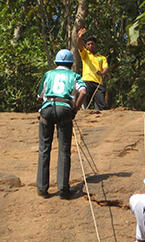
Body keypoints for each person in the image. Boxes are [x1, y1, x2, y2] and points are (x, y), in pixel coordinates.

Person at [36, 49, 87, 199]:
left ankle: (42, 188)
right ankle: (64, 189)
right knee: (64, 149)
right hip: (64, 109)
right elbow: (83, 92)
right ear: (71, 63)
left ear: (56, 62)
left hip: (47, 109)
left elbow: (40, 96)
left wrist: (46, 101)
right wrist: (75, 109)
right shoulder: (74, 75)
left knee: (44, 148)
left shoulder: (48, 74)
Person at [77, 28, 109, 110]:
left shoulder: (102, 57)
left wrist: (102, 73)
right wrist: (79, 38)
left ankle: (101, 121)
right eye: (88, 44)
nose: (90, 45)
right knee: (85, 104)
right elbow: (80, 46)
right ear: (86, 46)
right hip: (86, 82)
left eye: (92, 44)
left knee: (102, 105)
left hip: (98, 83)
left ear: (96, 44)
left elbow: (105, 68)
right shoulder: (85, 54)